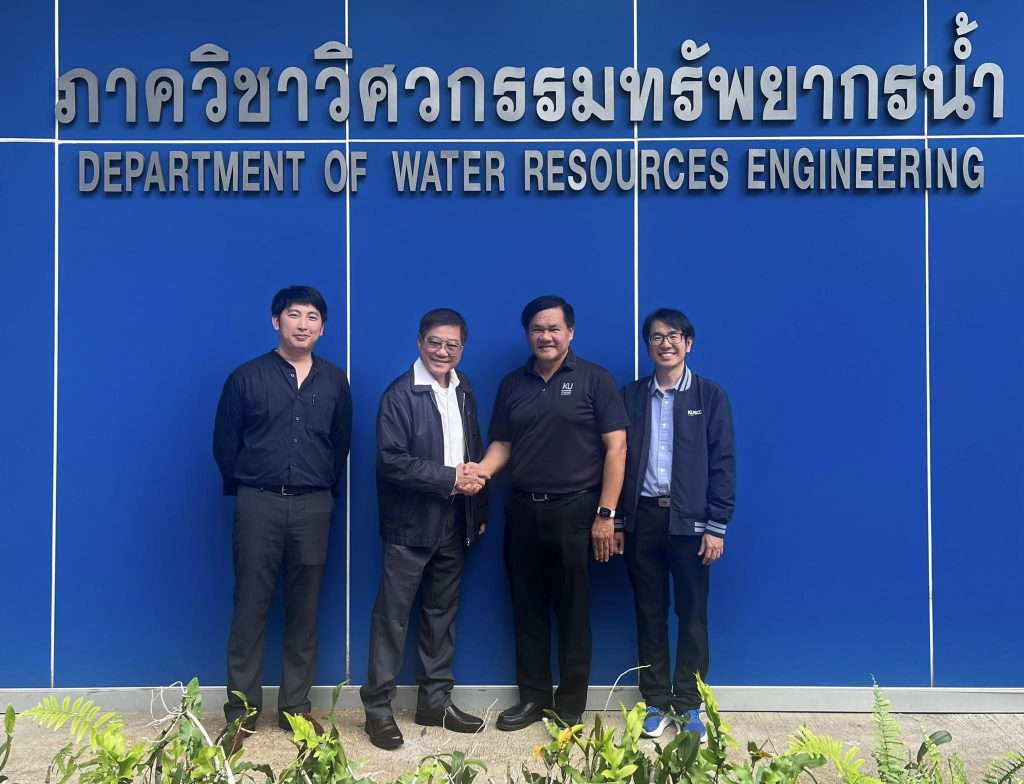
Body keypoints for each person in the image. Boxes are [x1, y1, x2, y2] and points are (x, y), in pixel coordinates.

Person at [474, 295, 628, 731]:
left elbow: (617, 448)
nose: (546, 336)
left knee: (573, 611)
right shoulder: (512, 384)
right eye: (537, 329)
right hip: (523, 509)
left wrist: (606, 514)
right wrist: (480, 472)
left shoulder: (595, 379)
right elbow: (502, 444)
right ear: (528, 334)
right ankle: (533, 698)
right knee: (527, 609)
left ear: (570, 332)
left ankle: (571, 704)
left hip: (576, 510)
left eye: (554, 328)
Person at [213, 285, 352, 753]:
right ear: (277, 321)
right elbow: (225, 445)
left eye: (313, 317)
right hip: (259, 503)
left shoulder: (335, 381)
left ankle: (296, 708)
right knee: (249, 608)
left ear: (322, 328)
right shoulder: (246, 378)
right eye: (294, 315)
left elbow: (340, 444)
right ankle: (241, 714)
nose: (303, 324)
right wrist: (251, 487)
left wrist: (318, 489)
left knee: (305, 610)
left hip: (314, 505)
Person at [360, 308, 488, 750]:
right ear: (419, 342)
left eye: (452, 344)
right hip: (410, 523)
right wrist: (451, 478)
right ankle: (378, 709)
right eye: (435, 342)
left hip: (455, 519)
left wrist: (478, 505)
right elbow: (391, 461)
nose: (442, 351)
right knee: (392, 618)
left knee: (441, 614)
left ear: (462, 348)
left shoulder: (464, 388)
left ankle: (435, 703)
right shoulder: (399, 394)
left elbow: (475, 449)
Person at [618, 308, 736, 742]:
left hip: (693, 524)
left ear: (689, 343)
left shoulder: (710, 396)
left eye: (673, 336)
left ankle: (688, 705)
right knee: (648, 613)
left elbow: (723, 463)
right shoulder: (630, 396)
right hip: (643, 519)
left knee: (692, 614)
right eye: (656, 337)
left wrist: (716, 525)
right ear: (647, 345)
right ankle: (654, 702)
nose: (665, 344)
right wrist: (617, 519)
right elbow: (615, 459)